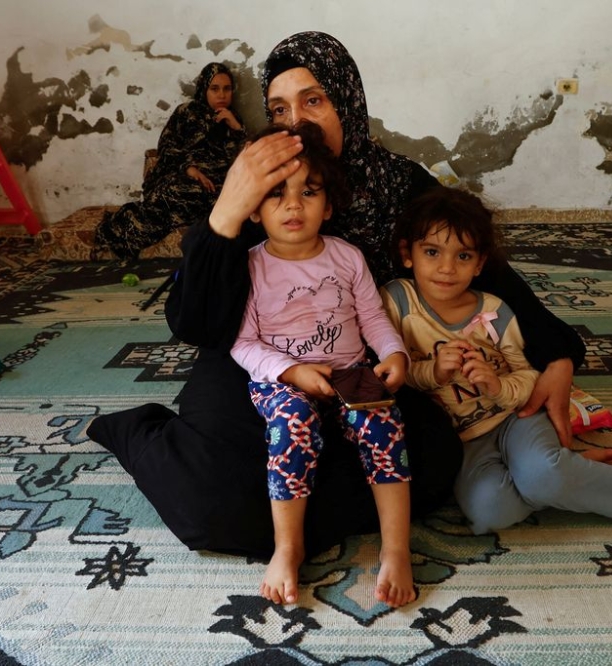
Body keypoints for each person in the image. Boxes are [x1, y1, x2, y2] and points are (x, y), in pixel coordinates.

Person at [86, 32, 585, 560]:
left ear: (348, 103)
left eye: (314, 101)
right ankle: (140, 432)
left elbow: (482, 269)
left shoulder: (398, 183)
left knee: (435, 462)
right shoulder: (259, 188)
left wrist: (556, 354)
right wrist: (229, 211)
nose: (296, 121)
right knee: (213, 507)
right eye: (279, 108)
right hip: (258, 360)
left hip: (356, 361)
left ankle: (293, 511)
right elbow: (195, 324)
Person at [380, 187, 612, 533]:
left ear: (481, 262)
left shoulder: (495, 311)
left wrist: (498, 386)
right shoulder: (398, 301)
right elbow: (395, 372)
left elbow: (528, 377)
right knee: (489, 513)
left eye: (463, 257)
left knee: (543, 474)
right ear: (407, 253)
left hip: (515, 418)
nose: (446, 268)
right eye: (431, 252)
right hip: (465, 439)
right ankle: (568, 474)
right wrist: (434, 371)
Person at [232, 122, 415, 607]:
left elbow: (373, 317)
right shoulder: (250, 266)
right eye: (277, 195)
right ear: (253, 209)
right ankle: (288, 547)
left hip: (350, 375)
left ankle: (396, 549)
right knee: (293, 423)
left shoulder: (347, 257)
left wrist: (394, 353)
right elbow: (243, 344)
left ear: (328, 204)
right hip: (283, 383)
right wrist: (292, 372)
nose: (293, 206)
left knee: (385, 424)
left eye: (308, 192)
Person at [93, 62, 245, 259]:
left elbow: (245, 159)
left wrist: (236, 128)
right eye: (214, 89)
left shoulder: (234, 119)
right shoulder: (185, 113)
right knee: (178, 190)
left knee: (221, 198)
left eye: (227, 89)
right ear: (203, 89)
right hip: (183, 179)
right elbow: (167, 148)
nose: (222, 95)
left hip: (217, 186)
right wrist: (189, 169)